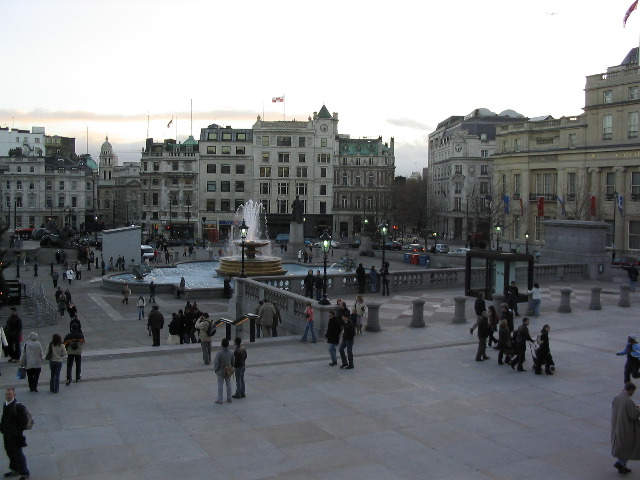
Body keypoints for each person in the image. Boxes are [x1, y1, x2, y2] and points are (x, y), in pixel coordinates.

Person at [0, 387, 30, 479]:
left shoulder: (18, 406)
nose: (8, 395)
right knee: (10, 453)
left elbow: (24, 422)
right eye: (7, 394)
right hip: (7, 434)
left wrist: (16, 432)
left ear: (14, 395)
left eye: (10, 394)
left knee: (18, 454)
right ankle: (15, 470)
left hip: (15, 436)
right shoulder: (5, 404)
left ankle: (24, 472)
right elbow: (4, 417)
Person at [611, 382, 640, 474]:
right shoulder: (628, 401)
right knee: (627, 446)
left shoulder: (617, 398)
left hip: (617, 426)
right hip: (626, 428)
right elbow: (633, 415)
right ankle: (620, 463)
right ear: (630, 390)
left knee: (623, 447)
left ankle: (622, 465)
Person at [213, 338, 234, 404]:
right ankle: (229, 398)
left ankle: (220, 399)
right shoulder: (231, 352)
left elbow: (216, 363)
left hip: (220, 371)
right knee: (228, 384)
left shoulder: (219, 353)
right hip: (228, 371)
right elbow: (233, 362)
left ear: (222, 345)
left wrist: (216, 369)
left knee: (220, 385)